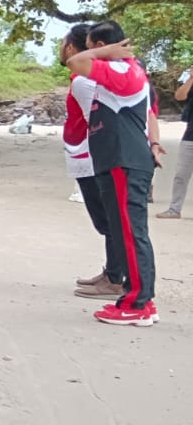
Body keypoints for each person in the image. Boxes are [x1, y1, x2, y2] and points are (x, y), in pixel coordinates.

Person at [65, 22, 158, 325]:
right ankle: (135, 298)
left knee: (131, 233)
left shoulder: (121, 70)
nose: (90, 53)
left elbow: (75, 61)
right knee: (124, 231)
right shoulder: (122, 74)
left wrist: (104, 52)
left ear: (104, 45)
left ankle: (138, 304)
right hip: (120, 160)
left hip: (124, 160)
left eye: (93, 46)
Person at [158, 66, 193, 220]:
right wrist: (191, 79)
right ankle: (174, 209)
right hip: (190, 135)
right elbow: (179, 96)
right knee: (181, 174)